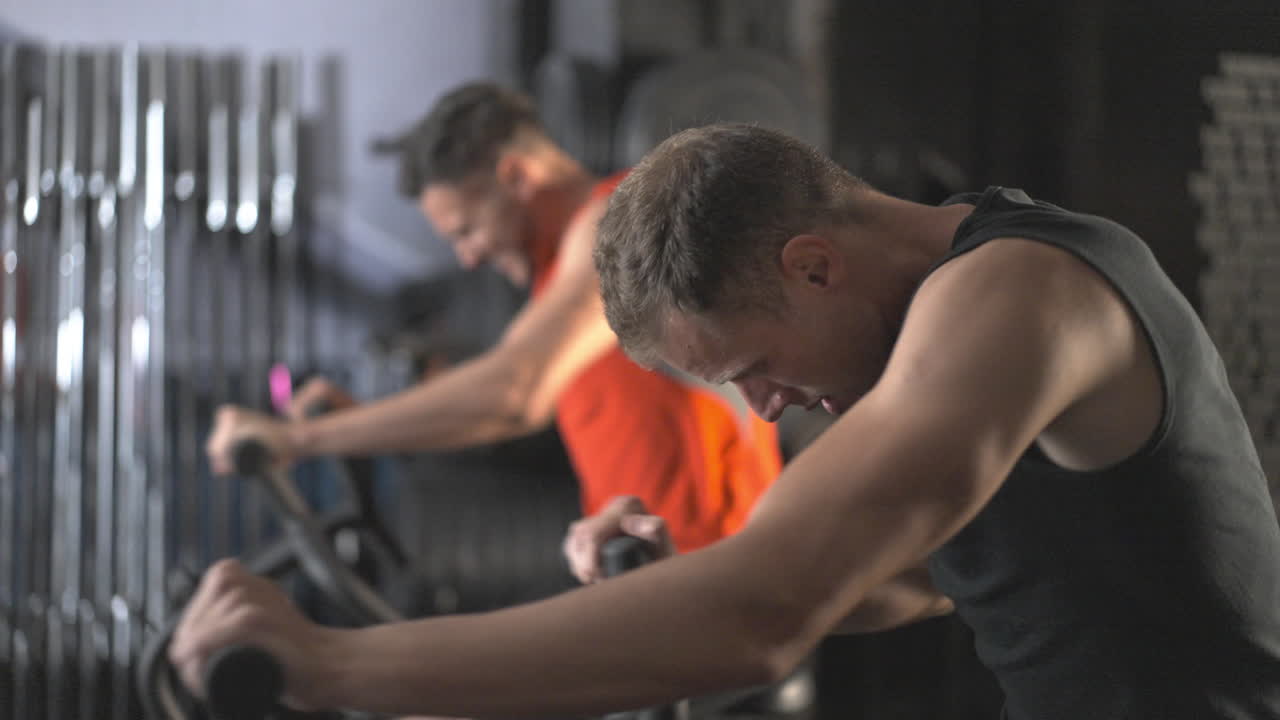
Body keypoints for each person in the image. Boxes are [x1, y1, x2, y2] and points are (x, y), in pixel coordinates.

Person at [174, 122, 1280, 720]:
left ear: (812, 264)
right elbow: (932, 581)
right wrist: (684, 570)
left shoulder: (1016, 291)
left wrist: (331, 667)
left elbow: (764, 615)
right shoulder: (965, 316)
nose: (762, 408)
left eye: (751, 367)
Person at [204, 83, 783, 574]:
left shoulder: (621, 224)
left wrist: (297, 441)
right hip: (649, 576)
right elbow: (523, 417)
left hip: (716, 578)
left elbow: (514, 394)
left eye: (465, 230)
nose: (468, 258)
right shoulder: (556, 289)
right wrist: (358, 419)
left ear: (514, 175)